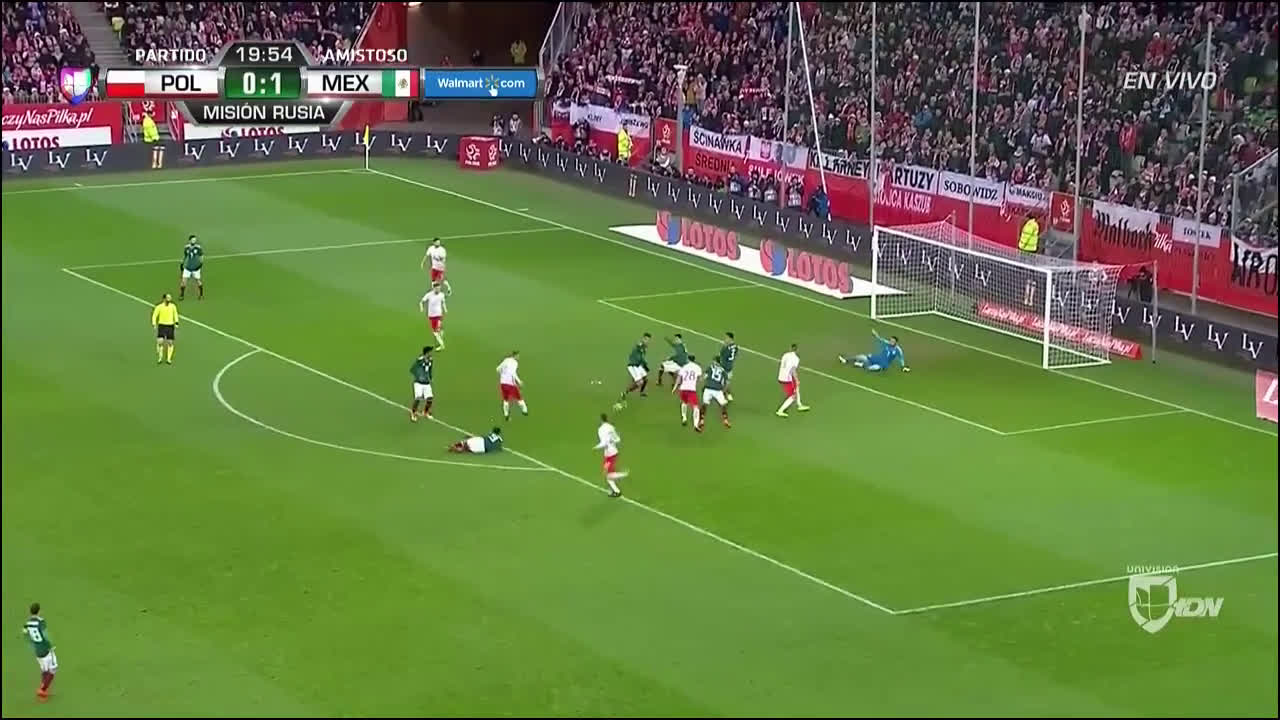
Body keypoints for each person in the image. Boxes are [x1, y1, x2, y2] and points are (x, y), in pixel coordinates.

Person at [23, 602, 57, 700]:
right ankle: (42, 689)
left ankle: (43, 692)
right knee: (53, 668)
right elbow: (45, 634)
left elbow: (25, 635)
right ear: (39, 611)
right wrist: (51, 645)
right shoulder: (41, 621)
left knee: (44, 670)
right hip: (45, 649)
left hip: (37, 651)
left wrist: (33, 645)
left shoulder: (27, 624)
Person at [839, 330, 910, 372]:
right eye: (890, 340)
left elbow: (901, 358)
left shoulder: (898, 350)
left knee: (871, 368)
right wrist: (875, 334)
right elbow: (880, 339)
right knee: (861, 357)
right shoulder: (887, 343)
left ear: (896, 342)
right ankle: (845, 360)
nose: (891, 342)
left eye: (892, 341)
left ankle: (861, 365)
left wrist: (903, 366)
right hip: (877, 358)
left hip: (883, 364)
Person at [594, 412, 627, 497]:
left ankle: (623, 475)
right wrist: (612, 441)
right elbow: (618, 439)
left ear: (601, 420)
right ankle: (616, 491)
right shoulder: (611, 427)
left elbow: (604, 443)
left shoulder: (601, 429)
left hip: (609, 455)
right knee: (607, 474)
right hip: (614, 452)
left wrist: (595, 448)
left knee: (608, 474)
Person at [615, 333, 651, 407]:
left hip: (638, 365)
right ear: (643, 338)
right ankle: (625, 393)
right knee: (640, 383)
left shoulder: (645, 347)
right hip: (633, 366)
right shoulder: (640, 345)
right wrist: (644, 363)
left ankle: (641, 392)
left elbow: (641, 356)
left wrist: (644, 364)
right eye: (646, 339)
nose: (647, 341)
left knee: (645, 379)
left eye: (648, 340)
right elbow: (638, 349)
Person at [776, 343, 810, 417]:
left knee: (797, 386)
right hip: (787, 378)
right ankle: (780, 411)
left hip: (781, 375)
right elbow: (793, 370)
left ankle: (799, 405)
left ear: (790, 348)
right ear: (797, 350)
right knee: (793, 396)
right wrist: (797, 379)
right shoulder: (796, 358)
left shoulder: (785, 354)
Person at [700, 358, 732, 430]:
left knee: (704, 404)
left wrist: (700, 380)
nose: (713, 362)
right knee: (723, 405)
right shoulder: (723, 371)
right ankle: (725, 420)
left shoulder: (710, 368)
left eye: (714, 361)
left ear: (716, 362)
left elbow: (704, 377)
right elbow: (727, 383)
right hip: (718, 390)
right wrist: (724, 390)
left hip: (708, 388)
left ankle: (701, 420)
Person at [496, 350, 529, 420]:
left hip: (503, 383)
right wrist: (519, 381)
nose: (519, 357)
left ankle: (506, 414)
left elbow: (498, 369)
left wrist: (502, 374)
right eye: (518, 356)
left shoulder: (506, 360)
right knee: (519, 398)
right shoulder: (515, 363)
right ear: (515, 356)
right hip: (510, 383)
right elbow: (513, 373)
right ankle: (525, 411)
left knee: (506, 399)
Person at [676, 354, 703, 429]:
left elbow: (679, 378)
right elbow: (700, 379)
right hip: (691, 389)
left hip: (683, 388)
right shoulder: (698, 367)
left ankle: (684, 418)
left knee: (684, 402)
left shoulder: (684, 367)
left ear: (688, 359)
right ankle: (695, 424)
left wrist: (675, 387)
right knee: (696, 407)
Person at [150, 293, 178, 364]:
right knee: (160, 341)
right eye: (168, 298)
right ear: (164, 299)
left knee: (170, 342)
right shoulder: (159, 307)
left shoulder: (173, 306)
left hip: (170, 325)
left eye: (170, 298)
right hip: (162, 325)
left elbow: (175, 314)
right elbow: (154, 315)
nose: (169, 299)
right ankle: (160, 357)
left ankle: (168, 359)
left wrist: (176, 322)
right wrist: (154, 323)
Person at [409, 346, 435, 421]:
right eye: (430, 352)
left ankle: (425, 412)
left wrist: (430, 377)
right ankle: (413, 413)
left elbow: (430, 369)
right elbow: (412, 369)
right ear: (427, 352)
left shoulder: (430, 360)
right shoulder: (420, 360)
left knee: (430, 399)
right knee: (418, 399)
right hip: (418, 383)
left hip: (426, 383)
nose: (431, 353)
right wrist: (419, 376)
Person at [419, 282, 447, 350]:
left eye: (439, 288)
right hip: (431, 315)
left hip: (439, 314)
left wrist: (445, 309)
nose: (438, 290)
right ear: (433, 288)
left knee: (438, 329)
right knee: (435, 332)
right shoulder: (429, 294)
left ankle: (442, 345)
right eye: (436, 288)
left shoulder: (442, 295)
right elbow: (421, 302)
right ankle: (440, 338)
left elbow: (443, 302)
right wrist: (421, 308)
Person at [178, 234, 203, 300]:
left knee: (198, 281)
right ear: (190, 240)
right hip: (188, 267)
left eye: (195, 240)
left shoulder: (198, 247)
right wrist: (182, 263)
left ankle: (201, 295)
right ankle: (182, 295)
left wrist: (200, 264)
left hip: (196, 268)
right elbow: (185, 256)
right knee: (183, 281)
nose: (194, 241)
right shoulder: (186, 247)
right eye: (193, 240)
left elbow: (201, 256)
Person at [717, 332, 738, 401]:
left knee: (724, 382)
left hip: (725, 366)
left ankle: (723, 395)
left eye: (726, 338)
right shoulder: (734, 346)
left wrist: (724, 347)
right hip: (728, 366)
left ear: (730, 338)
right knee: (725, 382)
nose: (725, 339)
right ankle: (728, 394)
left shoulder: (728, 347)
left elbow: (722, 355)